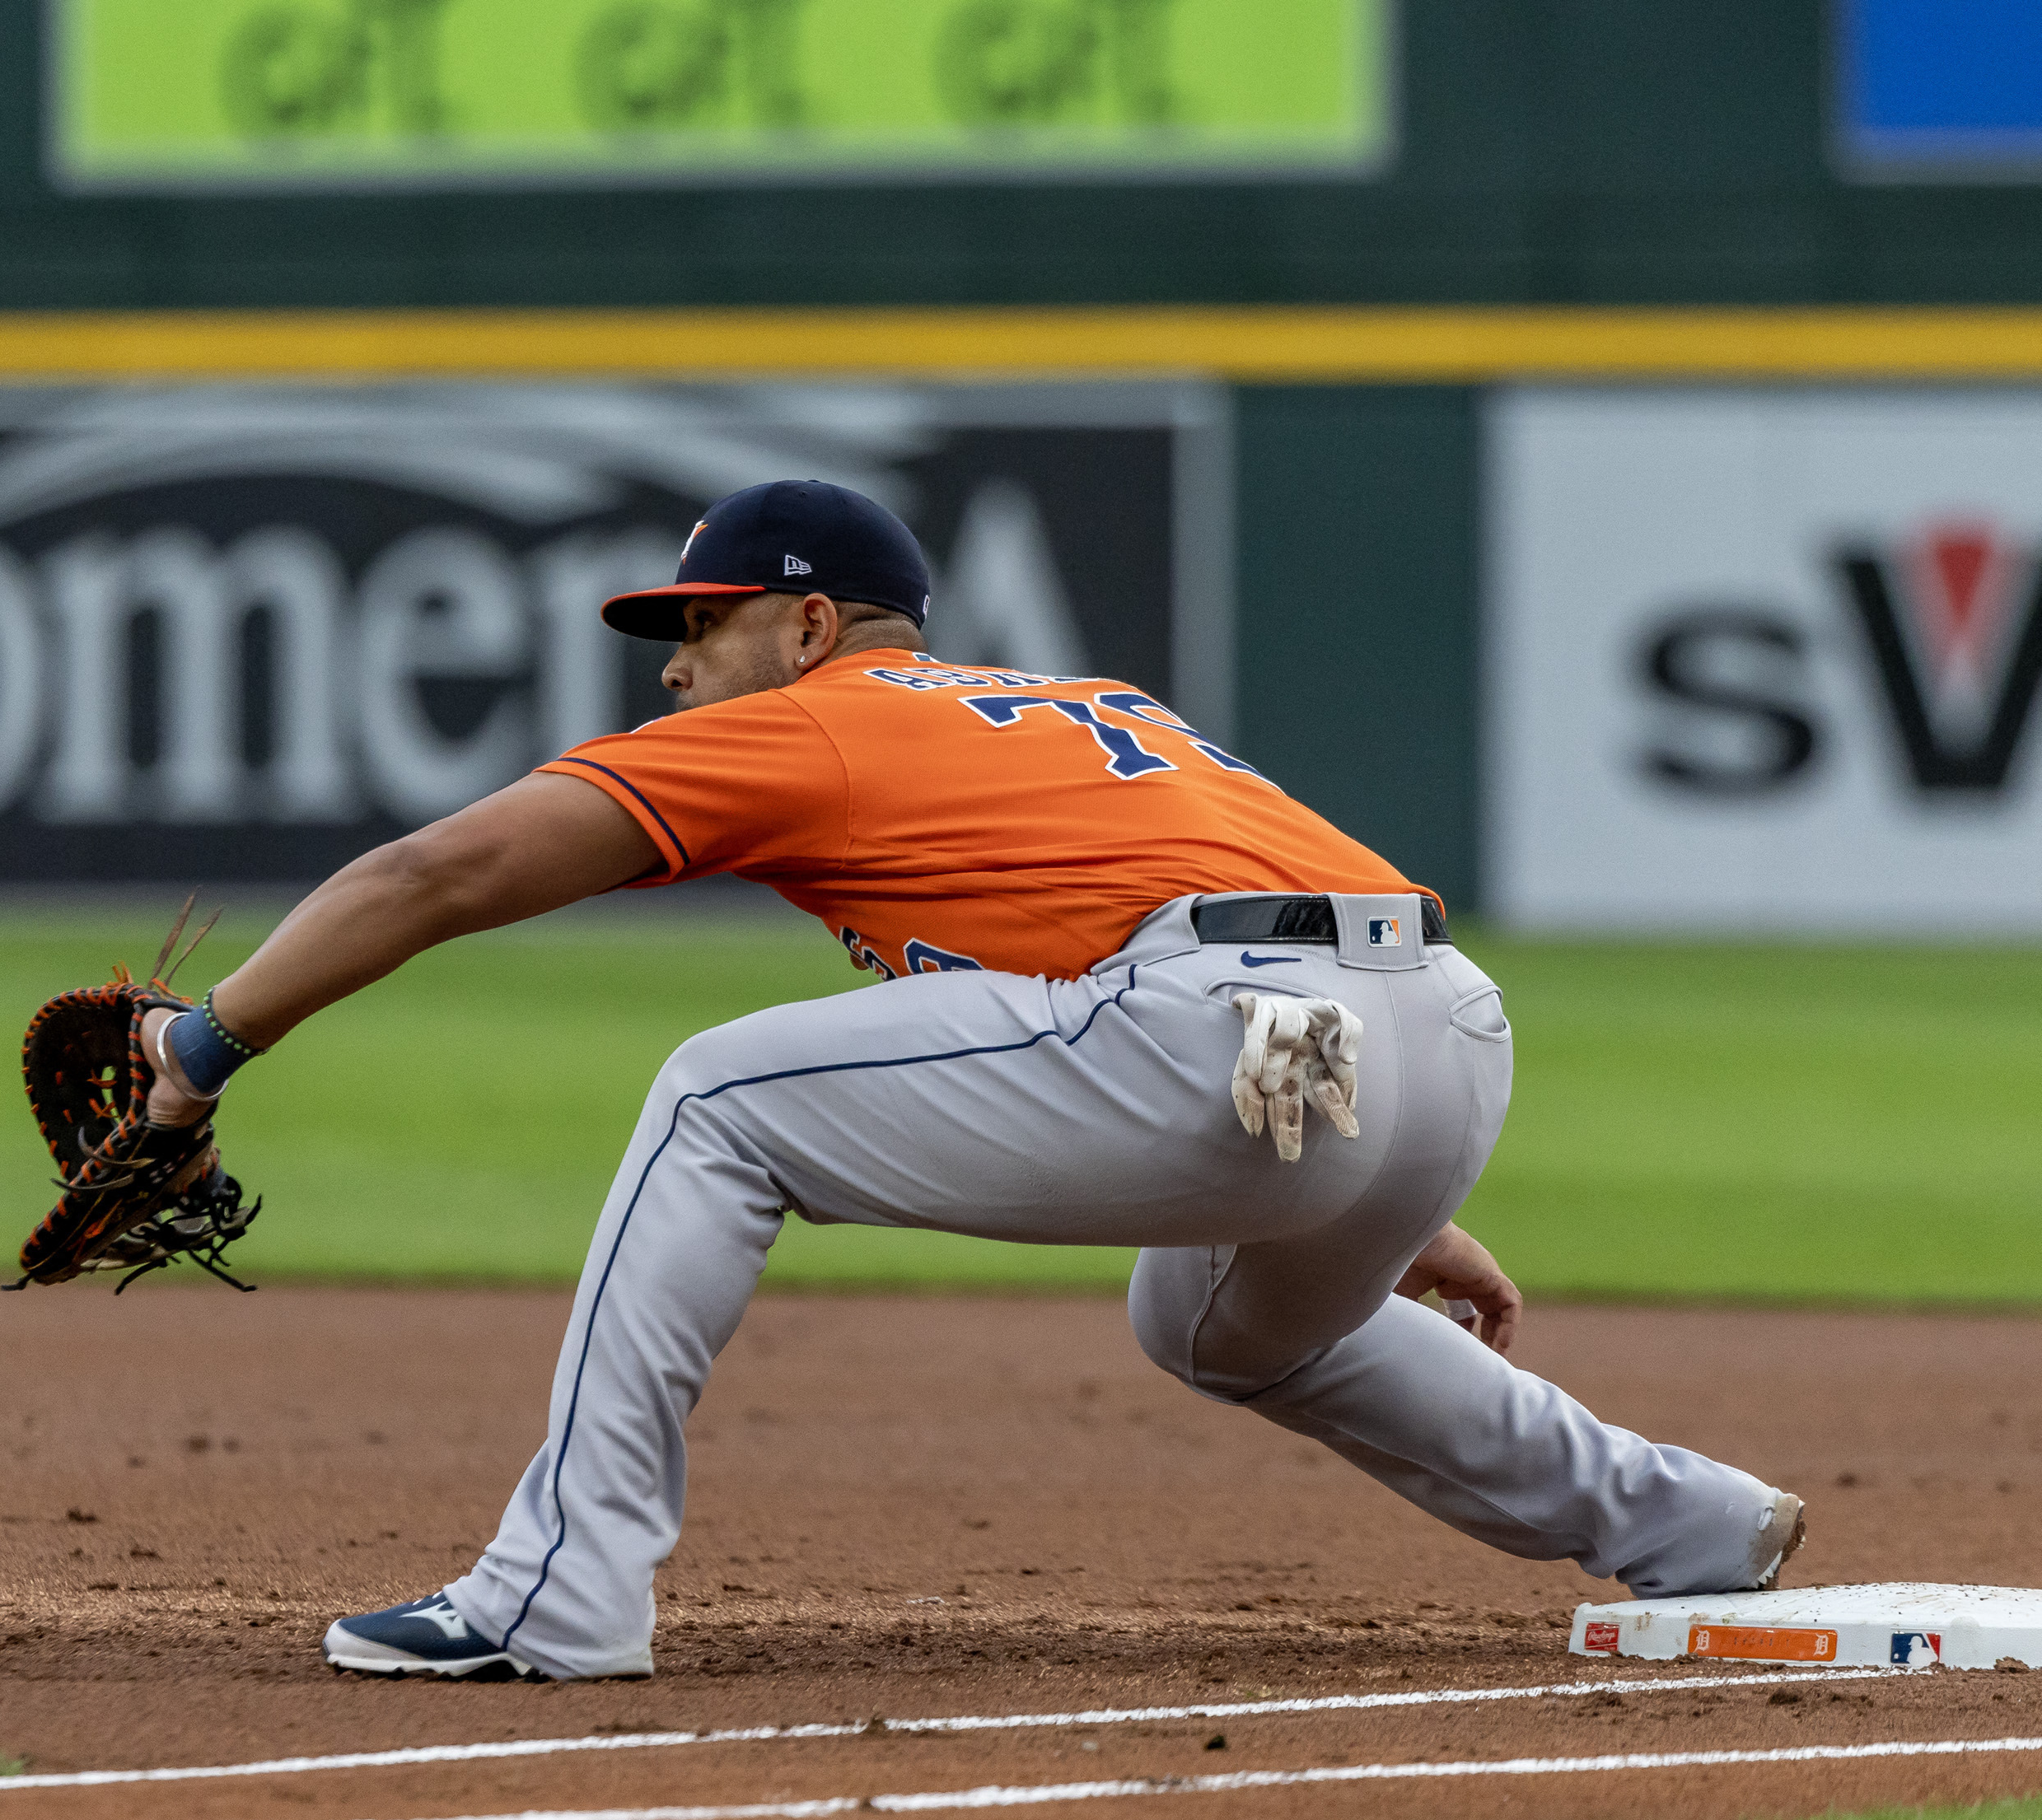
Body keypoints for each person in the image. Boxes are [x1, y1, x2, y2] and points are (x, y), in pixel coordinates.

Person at [138, 478, 1804, 1682]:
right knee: (1210, 1321)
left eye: (702, 629)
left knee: (715, 1102)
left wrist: (202, 1048)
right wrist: (1383, 1180)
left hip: (1241, 1020)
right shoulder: (1074, 706)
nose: (676, 669)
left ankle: (557, 1592)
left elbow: (440, 871)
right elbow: (1247, 930)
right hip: (1436, 1026)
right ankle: (1689, 1527)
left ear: (806, 624)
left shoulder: (819, 721)